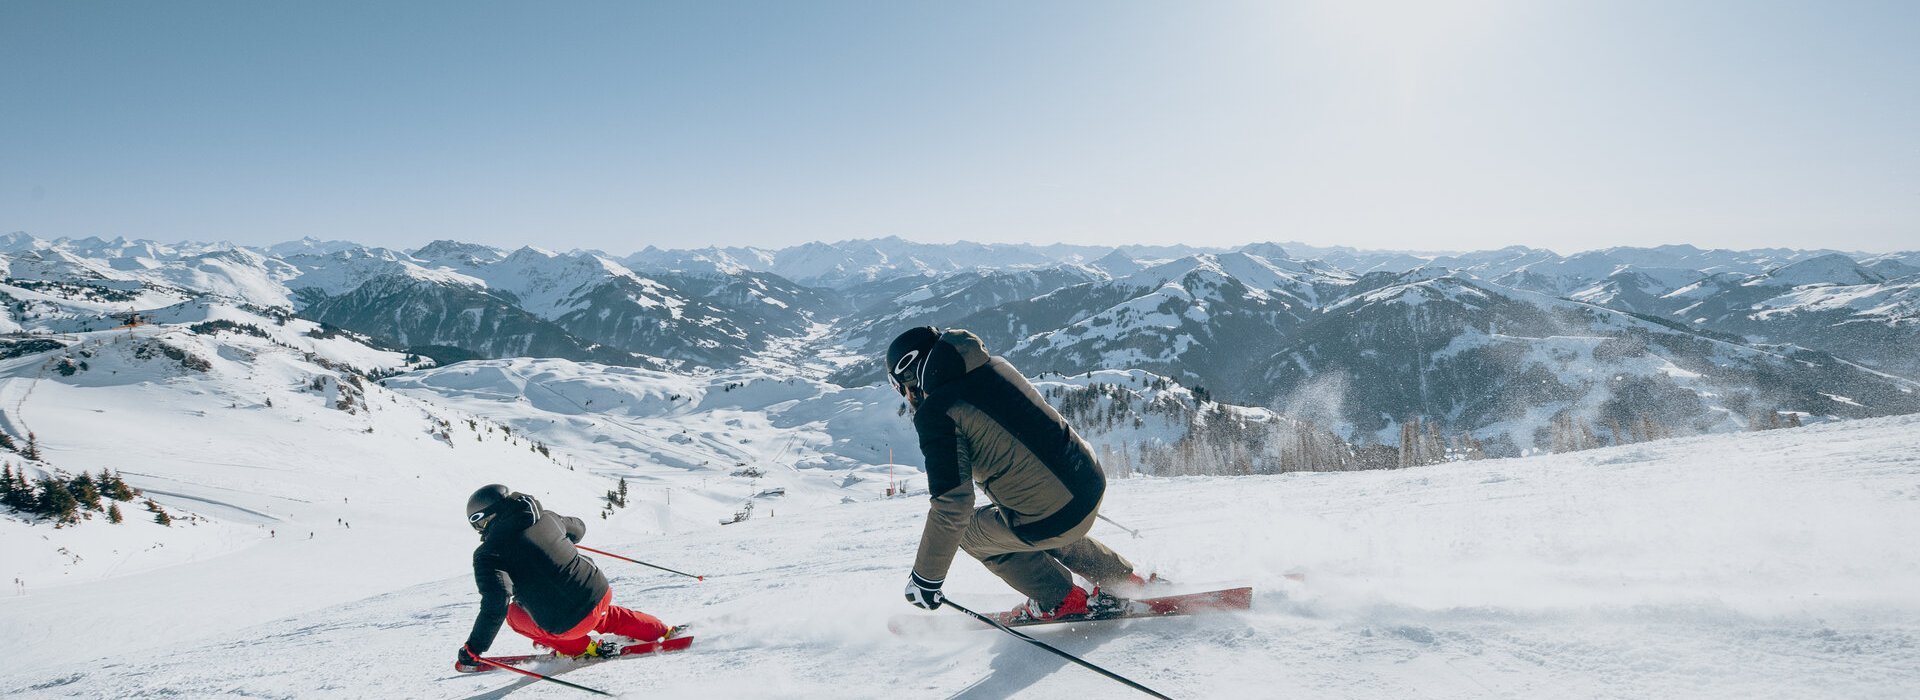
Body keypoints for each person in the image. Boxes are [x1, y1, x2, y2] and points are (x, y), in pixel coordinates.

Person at [888, 327, 1147, 623]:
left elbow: (952, 506)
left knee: (971, 534)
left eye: (900, 387)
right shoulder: (994, 366)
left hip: (1055, 513)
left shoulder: (937, 412)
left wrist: (926, 578)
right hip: (1088, 482)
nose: (906, 396)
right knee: (1035, 515)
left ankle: (1059, 599)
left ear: (911, 374)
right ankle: (1121, 578)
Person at [455, 484, 672, 672]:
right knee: (603, 616)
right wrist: (559, 536)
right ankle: (661, 630)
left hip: (567, 624)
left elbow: (497, 600)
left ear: (487, 519)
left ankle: (583, 648)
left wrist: (474, 648)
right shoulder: (546, 517)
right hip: (600, 592)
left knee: (514, 615)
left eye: (477, 524)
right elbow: (579, 528)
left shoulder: (488, 554)